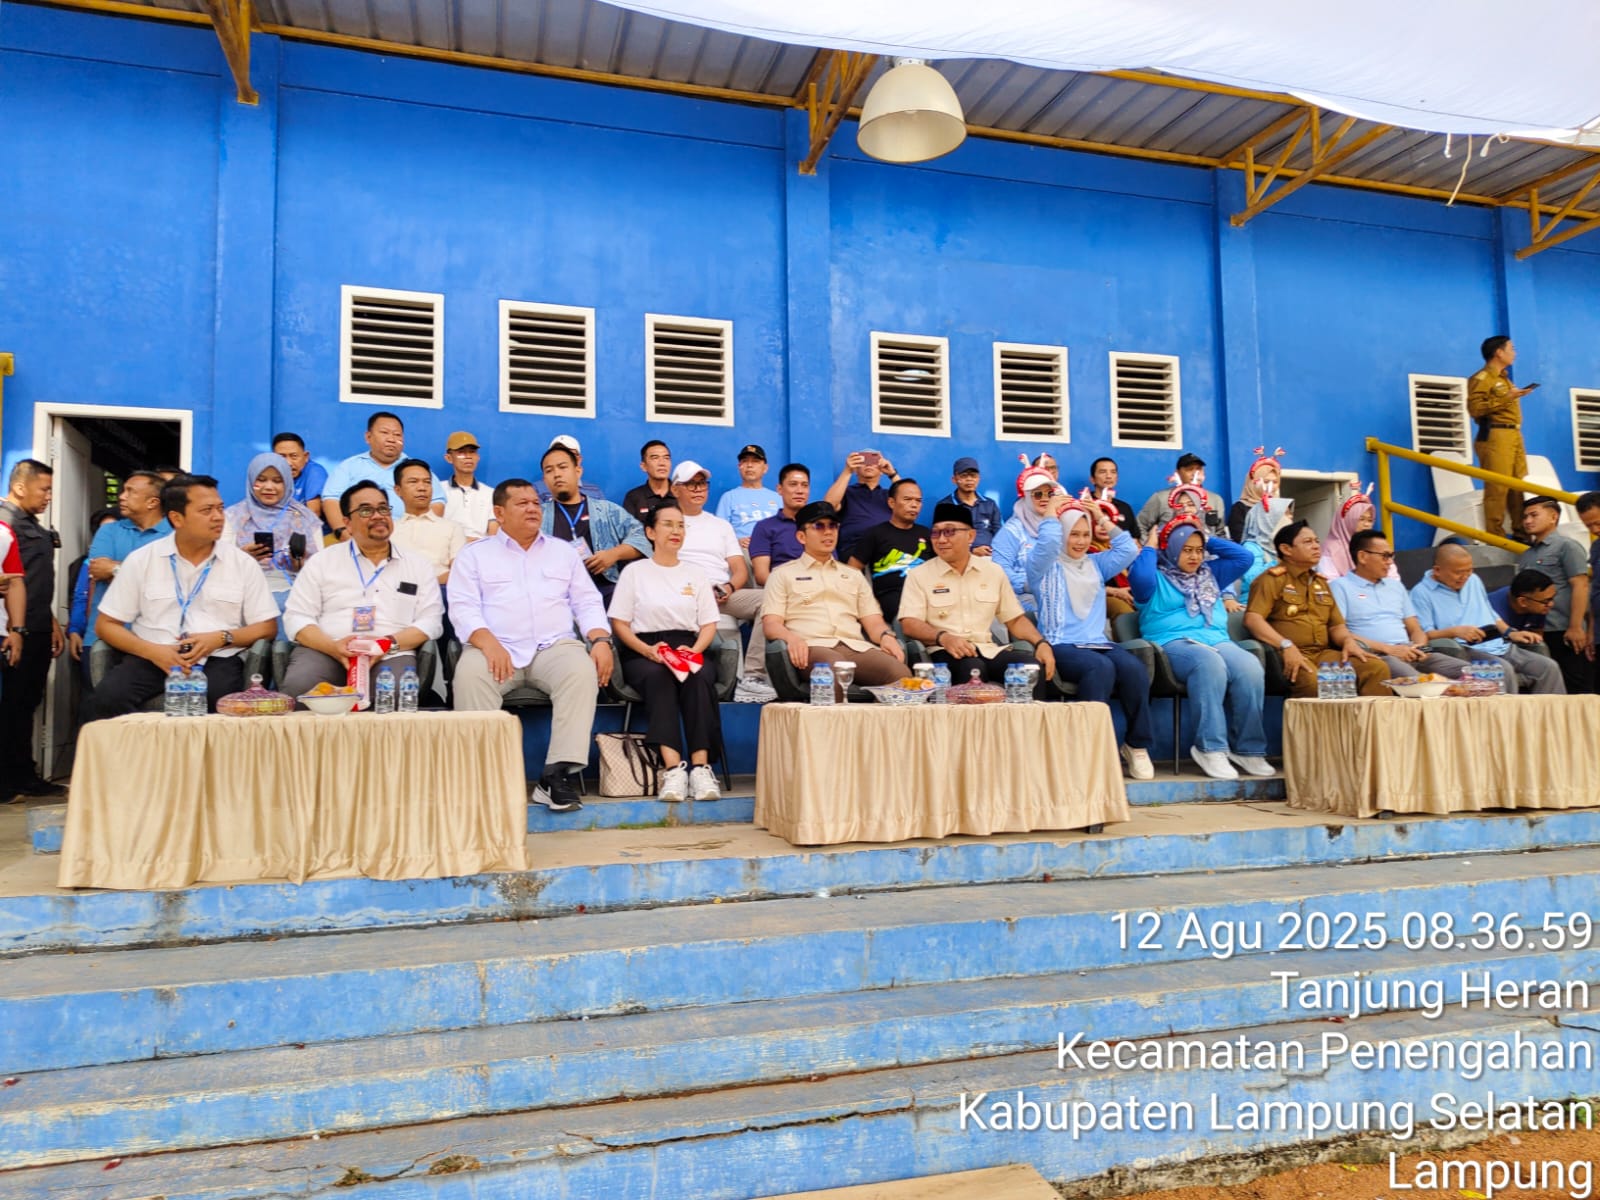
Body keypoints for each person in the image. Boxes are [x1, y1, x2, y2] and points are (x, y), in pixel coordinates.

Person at [449, 479, 614, 813]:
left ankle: (556, 775)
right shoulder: (474, 555)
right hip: (494, 648)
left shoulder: (562, 552)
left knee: (580, 671)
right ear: (499, 513)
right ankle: (484, 779)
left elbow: (586, 602)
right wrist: (488, 643)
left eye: (535, 503)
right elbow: (463, 607)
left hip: (553, 647)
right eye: (522, 503)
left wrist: (600, 639)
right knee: (469, 676)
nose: (532, 509)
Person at [90, 474, 279, 719]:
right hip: (152, 654)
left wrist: (222, 638)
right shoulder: (142, 560)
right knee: (105, 701)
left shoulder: (242, 563)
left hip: (216, 658)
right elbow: (106, 625)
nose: (218, 517)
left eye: (220, 508)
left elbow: (267, 627)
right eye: (207, 510)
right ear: (177, 518)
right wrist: (152, 651)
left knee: (222, 708)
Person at [1128, 515, 1271, 779]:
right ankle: (1210, 748)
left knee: (1250, 666)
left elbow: (1244, 558)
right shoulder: (1154, 579)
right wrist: (1151, 545)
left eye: (1198, 550)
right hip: (1171, 642)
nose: (1194, 557)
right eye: (1186, 550)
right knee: (1208, 663)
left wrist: (1204, 535)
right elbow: (1139, 574)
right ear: (1171, 549)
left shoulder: (1210, 574)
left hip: (1215, 638)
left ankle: (1248, 749)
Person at [1027, 497, 1154, 780]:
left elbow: (1127, 550)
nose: (1081, 541)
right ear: (1061, 533)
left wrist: (1100, 516)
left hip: (1098, 642)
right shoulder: (1042, 566)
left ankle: (1136, 745)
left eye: (1086, 534)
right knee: (1099, 667)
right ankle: (1089, 749)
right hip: (1060, 644)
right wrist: (1051, 512)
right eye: (1073, 534)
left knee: (1134, 669)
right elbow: (1047, 544)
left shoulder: (1096, 564)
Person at [282, 480, 444, 701]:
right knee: (300, 686)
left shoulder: (417, 565)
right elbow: (297, 616)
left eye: (383, 509)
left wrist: (384, 644)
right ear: (347, 523)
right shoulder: (322, 561)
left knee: (393, 694)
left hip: (391, 652)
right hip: (327, 649)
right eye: (366, 510)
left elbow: (431, 621)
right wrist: (333, 647)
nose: (378, 516)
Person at [607, 499, 722, 803]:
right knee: (659, 677)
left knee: (698, 677)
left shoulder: (696, 573)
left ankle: (701, 768)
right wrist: (646, 650)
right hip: (644, 649)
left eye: (681, 525)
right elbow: (619, 623)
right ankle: (674, 771)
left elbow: (709, 624)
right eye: (668, 525)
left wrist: (693, 651)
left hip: (688, 645)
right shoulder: (635, 572)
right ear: (650, 532)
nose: (676, 531)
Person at [899, 502, 1054, 690]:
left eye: (949, 532)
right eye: (936, 533)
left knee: (1029, 668)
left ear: (971, 536)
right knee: (972, 668)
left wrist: (1041, 643)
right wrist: (944, 638)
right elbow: (909, 623)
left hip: (987, 650)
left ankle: (1029, 712)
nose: (941, 540)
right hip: (944, 652)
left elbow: (1014, 619)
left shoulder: (993, 572)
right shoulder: (919, 575)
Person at [764, 500, 909, 696]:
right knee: (833, 667)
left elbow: (873, 622)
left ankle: (877, 716)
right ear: (801, 536)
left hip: (854, 647)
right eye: (819, 526)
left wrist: (886, 636)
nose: (828, 532)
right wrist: (792, 639)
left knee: (900, 674)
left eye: (833, 526)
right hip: (811, 647)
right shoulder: (782, 574)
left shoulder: (853, 575)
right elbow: (771, 624)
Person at [1244, 520, 1389, 698]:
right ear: (1286, 549)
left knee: (1375, 668)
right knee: (1313, 682)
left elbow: (1336, 626)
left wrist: (1348, 641)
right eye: (1308, 542)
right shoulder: (1271, 580)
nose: (1316, 546)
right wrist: (1286, 645)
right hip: (1287, 654)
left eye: (1317, 541)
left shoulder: (1320, 582)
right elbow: (1253, 619)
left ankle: (1367, 718)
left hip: (1322, 654)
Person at [670, 461, 773, 700]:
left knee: (769, 599)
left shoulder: (721, 526)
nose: (698, 489)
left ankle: (752, 677)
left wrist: (729, 586)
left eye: (702, 483)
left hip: (721, 595)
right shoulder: (668, 522)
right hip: (683, 594)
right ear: (675, 489)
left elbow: (739, 570)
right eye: (691, 484)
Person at [1410, 543, 1563, 695]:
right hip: (1468, 649)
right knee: (1503, 670)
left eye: (1469, 570)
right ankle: (1507, 712)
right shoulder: (1421, 593)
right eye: (1458, 572)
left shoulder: (1473, 580)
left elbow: (1489, 612)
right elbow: (1425, 634)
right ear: (1437, 571)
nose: (1465, 577)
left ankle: (1549, 711)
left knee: (1548, 667)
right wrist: (1455, 632)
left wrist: (1510, 632)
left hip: (1498, 643)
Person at [0, 461, 64, 798]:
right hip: (13, 630)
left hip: (37, 626)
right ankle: (7, 780)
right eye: (44, 489)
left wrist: (51, 622)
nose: (49, 496)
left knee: (25, 704)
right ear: (20, 487)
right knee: (11, 705)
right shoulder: (5, 523)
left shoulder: (33, 526)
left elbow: (34, 582)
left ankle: (24, 775)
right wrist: (16, 628)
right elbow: (10, 581)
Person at [1331, 530, 1468, 681]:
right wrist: (1389, 649)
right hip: (1378, 655)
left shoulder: (1395, 586)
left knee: (1473, 674)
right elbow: (1339, 631)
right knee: (1420, 683)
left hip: (1411, 652)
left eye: (1391, 556)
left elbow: (1415, 628)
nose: (1390, 562)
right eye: (1385, 556)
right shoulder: (1340, 587)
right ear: (1362, 556)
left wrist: (1418, 646)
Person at [539, 443, 648, 607]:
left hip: (604, 592)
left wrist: (614, 554)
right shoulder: (538, 516)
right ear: (544, 480)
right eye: (549, 470)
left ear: (578, 471)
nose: (557, 474)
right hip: (557, 597)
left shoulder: (607, 510)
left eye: (562, 467)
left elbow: (643, 537)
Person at [82, 470, 172, 660]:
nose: (122, 496)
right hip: (102, 638)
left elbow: (169, 579)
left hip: (157, 641)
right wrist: (149, 573)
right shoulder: (108, 531)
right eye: (123, 490)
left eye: (131, 491)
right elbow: (98, 570)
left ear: (152, 502)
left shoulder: (174, 535)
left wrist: (114, 568)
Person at [222, 451, 323, 616]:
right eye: (261, 480)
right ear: (251, 481)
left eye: (277, 481)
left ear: (288, 483)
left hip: (295, 592)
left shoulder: (305, 517)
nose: (269, 487)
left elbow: (320, 568)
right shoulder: (234, 516)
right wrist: (242, 557)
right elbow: (219, 564)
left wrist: (298, 564)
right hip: (243, 590)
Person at [322, 411, 443, 539]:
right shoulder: (349, 467)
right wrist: (344, 534)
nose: (391, 439)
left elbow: (437, 503)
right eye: (384, 433)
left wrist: (419, 535)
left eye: (397, 435)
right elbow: (331, 500)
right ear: (368, 437)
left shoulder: (416, 469)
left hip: (408, 536)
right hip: (359, 536)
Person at [1516, 496, 1591, 693]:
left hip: (1563, 629)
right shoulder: (1527, 555)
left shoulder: (1567, 547)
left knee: (1574, 688)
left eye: (1534, 515)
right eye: (1525, 517)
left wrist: (1575, 626)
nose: (1528, 521)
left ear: (1553, 517)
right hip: (1536, 632)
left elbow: (1581, 586)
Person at [1468, 335, 1534, 540]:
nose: (1514, 353)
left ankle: (1521, 533)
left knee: (1518, 485)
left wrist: (1513, 395)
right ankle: (1495, 535)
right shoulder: (1482, 378)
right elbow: (1475, 409)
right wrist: (1507, 398)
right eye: (1511, 349)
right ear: (1498, 352)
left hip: (1513, 434)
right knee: (1497, 487)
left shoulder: (1504, 378)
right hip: (1495, 434)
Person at [847, 478, 932, 624]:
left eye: (918, 501)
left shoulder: (927, 535)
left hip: (926, 599)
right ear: (891, 503)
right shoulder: (875, 534)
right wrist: (868, 602)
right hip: (892, 603)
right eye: (907, 499)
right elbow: (851, 571)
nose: (914, 505)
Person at [389, 458, 467, 587]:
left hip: (441, 591)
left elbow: (459, 571)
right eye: (413, 482)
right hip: (395, 592)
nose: (422, 488)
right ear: (398, 490)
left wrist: (425, 586)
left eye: (427, 482)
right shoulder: (389, 530)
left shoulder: (452, 528)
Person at [992, 468, 1058, 612]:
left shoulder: (1058, 526)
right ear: (1026, 497)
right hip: (1023, 596)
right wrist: (1027, 585)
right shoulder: (1011, 531)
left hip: (1056, 592)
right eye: (1038, 494)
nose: (1045, 499)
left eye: (1050, 494)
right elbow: (999, 570)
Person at [823, 449, 900, 559]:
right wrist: (848, 471)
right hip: (854, 551)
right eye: (864, 460)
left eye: (873, 460)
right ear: (856, 469)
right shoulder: (846, 492)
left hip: (887, 550)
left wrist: (892, 474)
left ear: (881, 469)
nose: (869, 464)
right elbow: (828, 507)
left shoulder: (889, 496)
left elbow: (908, 503)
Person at [66, 507, 119, 665]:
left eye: (112, 530)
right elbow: (81, 597)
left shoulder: (137, 556)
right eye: (102, 531)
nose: (107, 535)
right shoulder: (88, 563)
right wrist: (75, 630)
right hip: (94, 638)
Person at [1227, 496, 1296, 609]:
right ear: (1269, 519)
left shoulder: (1288, 546)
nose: (1291, 517)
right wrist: (1278, 561)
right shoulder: (1251, 547)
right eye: (1286, 514)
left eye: (1291, 513)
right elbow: (1251, 580)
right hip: (1257, 605)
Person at [1317, 484, 1394, 580]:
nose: (1367, 525)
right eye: (1361, 519)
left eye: (1370, 520)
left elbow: (1393, 578)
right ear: (1347, 520)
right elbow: (1329, 582)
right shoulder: (1331, 549)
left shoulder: (1376, 545)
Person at [749, 464, 810, 585]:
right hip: (782, 588)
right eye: (793, 484)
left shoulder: (819, 526)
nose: (800, 491)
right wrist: (793, 589)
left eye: (804, 485)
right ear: (780, 489)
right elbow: (761, 576)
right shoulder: (764, 527)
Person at [1137, 453, 1225, 534]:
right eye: (1189, 469)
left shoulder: (1215, 500)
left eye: (1199, 469)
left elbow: (1220, 533)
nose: (1195, 474)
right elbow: (1140, 526)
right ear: (1177, 473)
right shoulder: (1161, 498)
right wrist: (1150, 544)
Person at [714, 445, 781, 550]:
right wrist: (736, 542)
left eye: (755, 461)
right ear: (739, 466)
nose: (749, 465)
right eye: (745, 461)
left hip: (773, 550)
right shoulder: (729, 497)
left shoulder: (778, 498)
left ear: (765, 468)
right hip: (742, 551)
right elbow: (719, 532)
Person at [937, 456, 1001, 553]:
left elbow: (1000, 534)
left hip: (990, 555)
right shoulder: (945, 506)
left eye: (973, 475)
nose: (969, 479)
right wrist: (972, 550)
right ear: (954, 479)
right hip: (959, 556)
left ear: (978, 478)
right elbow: (942, 539)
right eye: (964, 475)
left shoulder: (990, 504)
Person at [440, 431, 497, 539]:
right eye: (461, 452)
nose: (468, 457)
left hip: (480, 547)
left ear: (478, 457)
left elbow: (493, 532)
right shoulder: (438, 490)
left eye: (472, 452)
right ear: (449, 458)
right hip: (446, 545)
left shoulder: (490, 493)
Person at [1228, 448, 1285, 543]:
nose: (1271, 486)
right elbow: (1240, 538)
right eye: (1266, 481)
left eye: (1275, 482)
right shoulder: (1240, 508)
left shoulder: (1281, 508)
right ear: (1253, 482)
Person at [532, 434, 607, 505]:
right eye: (558, 453)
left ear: (579, 460)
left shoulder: (595, 491)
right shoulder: (536, 489)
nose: (563, 457)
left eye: (570, 454)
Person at [271, 432, 327, 522]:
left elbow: (313, 513)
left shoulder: (315, 472)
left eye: (294, 456)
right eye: (282, 457)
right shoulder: (269, 472)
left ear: (306, 456)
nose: (288, 463)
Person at [1488, 569, 1557, 635]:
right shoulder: (1491, 613)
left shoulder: (1538, 606)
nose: (1551, 604)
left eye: (1552, 598)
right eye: (1546, 601)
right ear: (1522, 601)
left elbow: (1537, 637)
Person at [1579, 490, 1600, 693]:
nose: (1595, 530)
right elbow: (1595, 590)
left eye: (1598, 523)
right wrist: (1592, 630)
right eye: (1588, 526)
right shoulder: (1596, 548)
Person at [1087, 457, 1140, 538]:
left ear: (1117, 478)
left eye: (1113, 472)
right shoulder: (1086, 504)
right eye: (1102, 472)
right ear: (1092, 479)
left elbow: (1134, 538)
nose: (1109, 476)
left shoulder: (1125, 507)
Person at [622, 439, 673, 521]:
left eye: (666, 458)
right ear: (644, 466)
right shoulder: (634, 497)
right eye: (655, 458)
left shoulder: (681, 494)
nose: (662, 463)